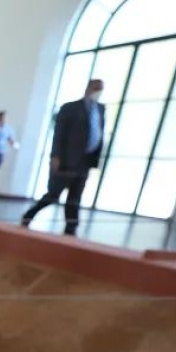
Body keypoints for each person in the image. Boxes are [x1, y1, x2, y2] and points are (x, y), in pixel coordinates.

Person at [21, 79, 106, 236]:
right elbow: (58, 134)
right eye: (96, 88)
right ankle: (28, 216)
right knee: (53, 194)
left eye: (101, 89)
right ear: (88, 88)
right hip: (66, 160)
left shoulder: (100, 109)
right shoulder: (70, 108)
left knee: (75, 197)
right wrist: (55, 156)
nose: (99, 91)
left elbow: (98, 133)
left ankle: (71, 227)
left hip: (85, 161)